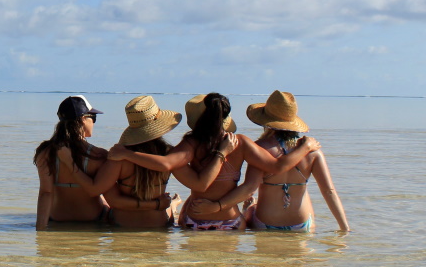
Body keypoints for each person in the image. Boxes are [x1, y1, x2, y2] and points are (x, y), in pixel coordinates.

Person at [111, 93, 321, 231]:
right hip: (231, 221)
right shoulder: (240, 143)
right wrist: (305, 147)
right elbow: (277, 166)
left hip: (195, 220)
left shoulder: (190, 144)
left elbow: (166, 164)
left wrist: (127, 154)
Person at [192, 91, 350, 232]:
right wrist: (344, 228)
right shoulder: (312, 151)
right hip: (301, 223)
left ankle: (249, 209)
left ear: (266, 121)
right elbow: (329, 192)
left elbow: (249, 188)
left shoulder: (260, 148)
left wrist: (218, 206)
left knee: (250, 210)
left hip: (266, 221)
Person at [79, 95, 235, 228]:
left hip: (122, 224)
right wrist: (221, 153)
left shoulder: (118, 157)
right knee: (172, 205)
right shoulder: (169, 155)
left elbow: (113, 200)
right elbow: (200, 184)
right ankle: (173, 204)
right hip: (158, 224)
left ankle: (173, 204)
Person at [34, 95, 111, 229]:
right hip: (93, 217)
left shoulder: (45, 153)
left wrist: (39, 231)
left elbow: (46, 193)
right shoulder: (98, 155)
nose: (93, 122)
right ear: (83, 119)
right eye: (93, 118)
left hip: (57, 217)